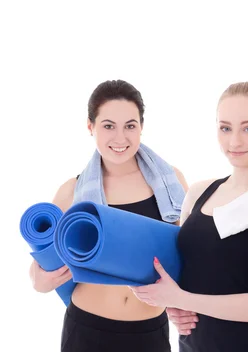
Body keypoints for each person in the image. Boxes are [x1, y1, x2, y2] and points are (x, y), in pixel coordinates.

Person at [130, 81, 248, 352]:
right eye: (225, 128)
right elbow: (184, 275)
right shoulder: (199, 192)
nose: (234, 141)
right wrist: (171, 304)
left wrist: (183, 299)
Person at [28, 79, 189, 352]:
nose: (120, 138)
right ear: (90, 127)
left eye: (130, 125)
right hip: (87, 330)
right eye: (108, 126)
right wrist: (43, 280)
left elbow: (189, 255)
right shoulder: (72, 192)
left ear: (141, 127)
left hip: (149, 331)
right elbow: (37, 276)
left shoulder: (170, 183)